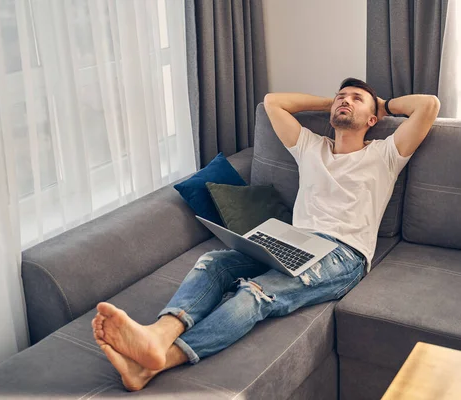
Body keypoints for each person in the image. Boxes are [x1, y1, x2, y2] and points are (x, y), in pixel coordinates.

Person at [92, 78, 440, 391]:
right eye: (341, 97)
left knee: (254, 293)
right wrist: (331, 101)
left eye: (355, 99)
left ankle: (164, 359)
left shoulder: (386, 154)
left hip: (341, 255)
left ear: (372, 121)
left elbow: (429, 106)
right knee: (213, 261)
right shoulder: (310, 147)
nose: (345, 101)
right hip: (292, 240)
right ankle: (156, 336)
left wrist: (382, 104)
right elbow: (273, 101)